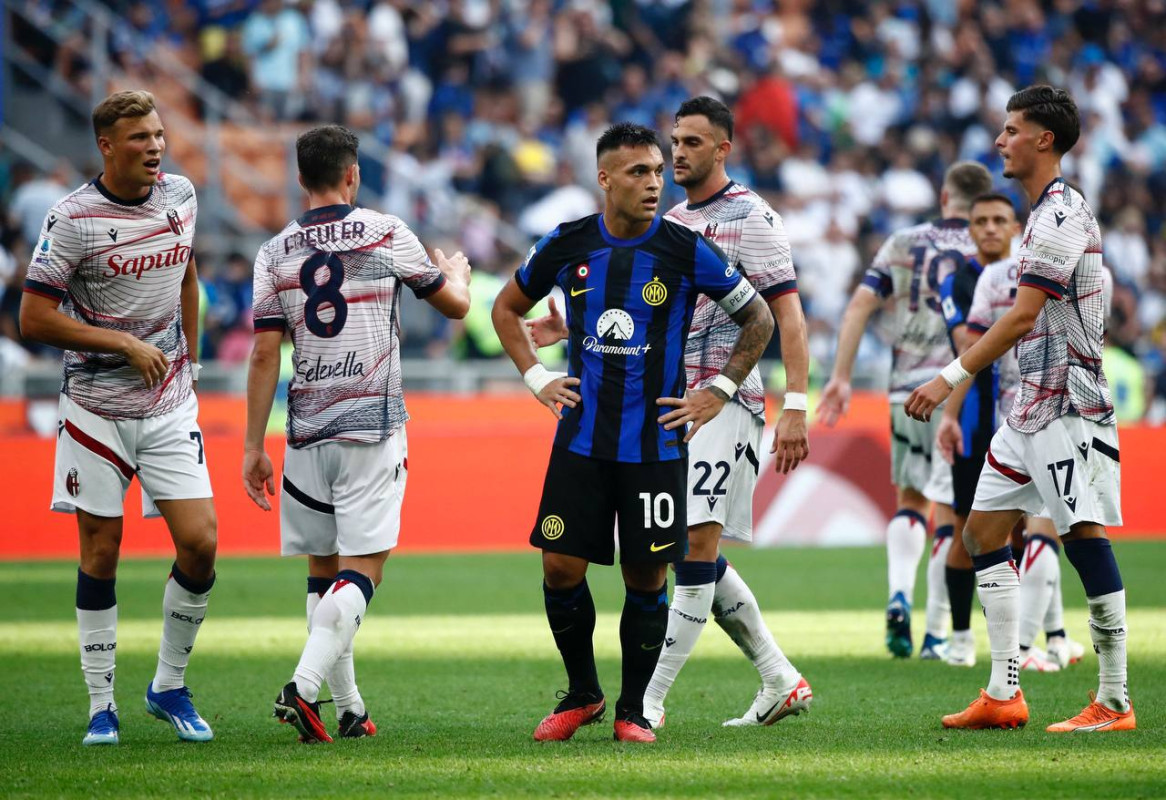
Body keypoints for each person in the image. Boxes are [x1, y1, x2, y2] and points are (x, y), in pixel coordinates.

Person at [528, 96, 812, 729]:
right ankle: (778, 675)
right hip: (669, 405)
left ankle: (646, 704)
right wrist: (571, 326)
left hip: (722, 402)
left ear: (723, 149)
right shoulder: (672, 219)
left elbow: (783, 312)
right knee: (685, 549)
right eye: (674, 142)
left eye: (690, 143)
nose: (676, 154)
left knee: (692, 546)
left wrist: (794, 402)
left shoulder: (753, 217)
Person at [907, 86, 1134, 732]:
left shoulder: (1061, 214)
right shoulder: (1039, 215)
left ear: (1043, 139)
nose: (1000, 140)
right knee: (980, 535)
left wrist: (948, 377)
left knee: (1083, 536)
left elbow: (1023, 316)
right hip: (1029, 407)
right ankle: (1004, 692)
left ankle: (1115, 700)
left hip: (1068, 404)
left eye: (1011, 130)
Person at [241, 124, 471, 744]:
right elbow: (454, 307)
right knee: (365, 573)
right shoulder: (385, 231)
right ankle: (303, 687)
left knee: (324, 575)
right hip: (371, 428)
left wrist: (252, 445)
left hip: (305, 431)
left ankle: (348, 709)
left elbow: (263, 354)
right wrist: (456, 273)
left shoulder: (275, 251)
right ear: (352, 175)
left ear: (300, 178)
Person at [19, 90, 217, 746]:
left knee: (201, 542)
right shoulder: (72, 218)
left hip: (168, 400)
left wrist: (191, 360)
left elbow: (186, 276)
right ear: (107, 146)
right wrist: (124, 344)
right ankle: (101, 704)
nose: (154, 146)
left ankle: (168, 685)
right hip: (95, 407)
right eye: (139, 137)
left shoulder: (181, 196)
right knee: (102, 549)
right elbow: (33, 317)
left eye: (158, 134)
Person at [819, 162, 994, 659]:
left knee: (911, 502)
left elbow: (859, 306)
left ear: (944, 197)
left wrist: (841, 376)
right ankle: (936, 634)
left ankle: (899, 594)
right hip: (963, 390)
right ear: (983, 203)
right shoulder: (991, 243)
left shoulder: (903, 241)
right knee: (953, 513)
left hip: (905, 390)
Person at [937, 193, 1096, 672]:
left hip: (1043, 416)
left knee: (1037, 530)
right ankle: (969, 639)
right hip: (990, 423)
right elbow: (968, 346)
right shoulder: (967, 279)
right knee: (977, 530)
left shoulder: (1026, 273)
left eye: (999, 220)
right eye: (980, 220)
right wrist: (951, 414)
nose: (990, 228)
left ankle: (1042, 640)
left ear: (1016, 228)